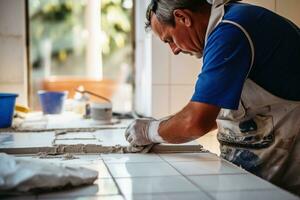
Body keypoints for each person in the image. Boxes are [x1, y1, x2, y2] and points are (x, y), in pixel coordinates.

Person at [125, 0, 300, 195]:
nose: (174, 50)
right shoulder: (230, 25)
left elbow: (196, 120)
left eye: (169, 39)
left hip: (287, 177)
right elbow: (211, 112)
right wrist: (164, 125)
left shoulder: (231, 31)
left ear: (183, 17)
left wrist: (150, 131)